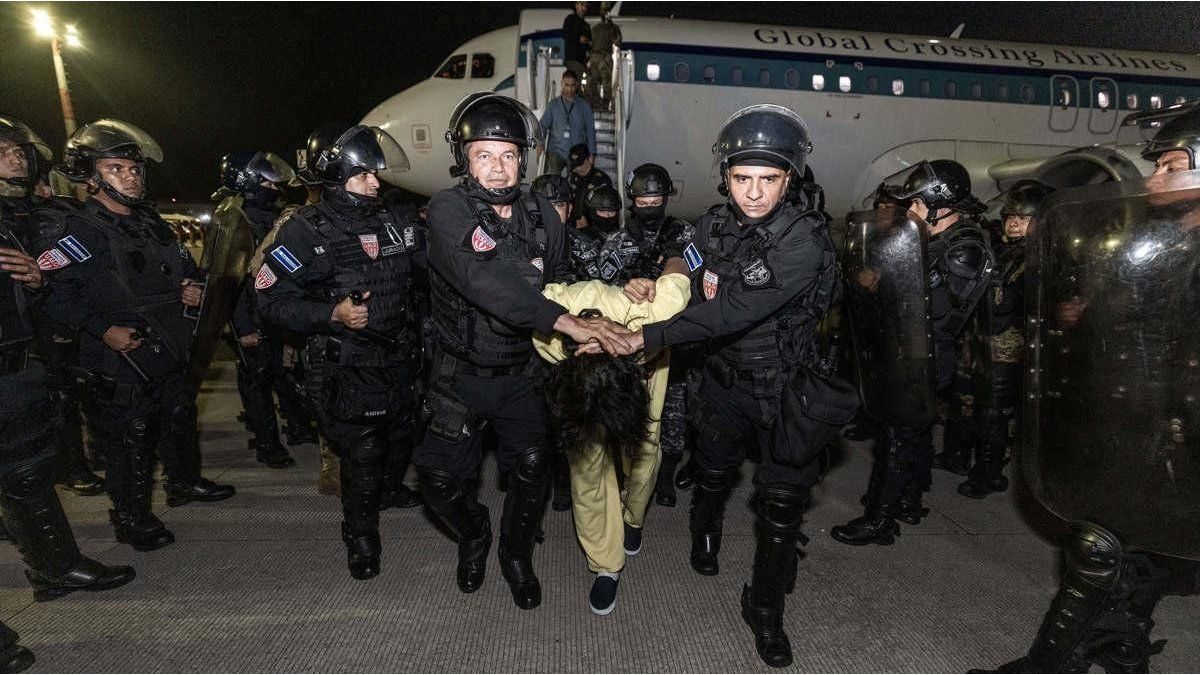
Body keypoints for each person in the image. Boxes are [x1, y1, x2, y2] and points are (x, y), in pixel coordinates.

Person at [975, 104, 1200, 674]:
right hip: (1141, 421)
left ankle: (1054, 664)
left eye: (1171, 166)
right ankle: (1122, 647)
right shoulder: (1166, 240)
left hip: (1178, 429)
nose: (1154, 178)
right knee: (1137, 546)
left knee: (1099, 545)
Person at [621, 105, 843, 667]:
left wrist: (650, 335)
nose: (754, 193)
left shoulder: (802, 240)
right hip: (722, 382)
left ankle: (764, 607)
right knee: (713, 473)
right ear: (727, 176)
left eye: (769, 179)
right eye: (743, 178)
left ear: (789, 179)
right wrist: (663, 279)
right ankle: (705, 532)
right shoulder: (714, 223)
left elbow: (731, 311)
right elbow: (687, 256)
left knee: (782, 504)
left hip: (783, 388)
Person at [415, 92, 631, 610]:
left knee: (534, 472)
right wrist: (564, 322)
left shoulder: (541, 214)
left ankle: (516, 556)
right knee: (438, 483)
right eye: (484, 155)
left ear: (524, 159)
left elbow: (561, 280)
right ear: (464, 160)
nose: (497, 167)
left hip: (524, 373)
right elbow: (482, 279)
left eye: (508, 155)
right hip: (460, 374)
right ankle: (474, 534)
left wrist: (612, 302)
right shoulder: (447, 209)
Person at [31, 119, 236, 552]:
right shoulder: (78, 230)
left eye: (134, 169)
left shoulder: (151, 223)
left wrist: (190, 288)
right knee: (130, 440)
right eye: (116, 169)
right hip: (118, 357)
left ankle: (183, 484)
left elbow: (181, 270)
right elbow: (52, 294)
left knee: (177, 418)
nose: (130, 177)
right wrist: (102, 329)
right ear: (91, 177)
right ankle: (131, 519)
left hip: (166, 345)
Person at [255, 124, 421, 580]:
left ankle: (389, 490)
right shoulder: (304, 231)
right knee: (363, 453)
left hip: (398, 357)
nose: (375, 183)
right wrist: (332, 313)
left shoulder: (392, 221)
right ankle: (361, 537)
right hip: (346, 362)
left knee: (400, 438)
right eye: (363, 175)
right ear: (335, 177)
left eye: (375, 174)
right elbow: (269, 299)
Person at [0, 116, 135, 601]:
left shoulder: (22, 217)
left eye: (18, 149)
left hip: (22, 363)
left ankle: (52, 568)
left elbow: (38, 296)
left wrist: (37, 280)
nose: (16, 157)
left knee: (28, 474)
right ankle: (55, 568)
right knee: (25, 476)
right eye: (3, 151)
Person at [832, 159, 994, 546]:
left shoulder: (964, 249)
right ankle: (907, 499)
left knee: (898, 437)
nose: (911, 211)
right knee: (914, 433)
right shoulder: (936, 241)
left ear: (941, 205)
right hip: (912, 350)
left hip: (928, 355)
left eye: (918, 203)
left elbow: (931, 307)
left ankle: (880, 520)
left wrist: (888, 285)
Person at [535, 263, 689, 615]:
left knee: (643, 454)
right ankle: (606, 563)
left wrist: (656, 275)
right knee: (587, 471)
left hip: (641, 383)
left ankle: (633, 518)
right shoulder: (550, 326)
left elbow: (679, 261)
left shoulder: (656, 310)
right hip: (583, 393)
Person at [958, 180, 1051, 499]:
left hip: (1010, 353)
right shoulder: (1002, 252)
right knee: (975, 408)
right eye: (1011, 216)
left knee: (995, 416)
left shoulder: (1043, 259)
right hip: (982, 345)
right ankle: (975, 465)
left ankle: (988, 475)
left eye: (1023, 218)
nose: (1014, 222)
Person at [618, 163, 698, 508]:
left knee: (674, 416)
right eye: (643, 202)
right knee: (631, 415)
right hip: (631, 342)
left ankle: (665, 479)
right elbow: (602, 288)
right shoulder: (618, 241)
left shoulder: (685, 233)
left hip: (675, 340)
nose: (650, 207)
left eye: (656, 201)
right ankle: (632, 480)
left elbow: (699, 277)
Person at [212, 151, 298, 469]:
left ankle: (293, 428)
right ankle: (267, 444)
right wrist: (243, 328)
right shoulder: (235, 220)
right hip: (250, 315)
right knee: (257, 380)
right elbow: (228, 282)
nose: (273, 189)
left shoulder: (266, 217)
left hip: (272, 312)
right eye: (266, 183)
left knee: (279, 374)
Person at [539, 71, 596, 178]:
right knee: (553, 181)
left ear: (577, 85)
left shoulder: (584, 106)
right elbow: (543, 125)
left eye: (573, 85)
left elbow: (590, 131)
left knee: (576, 183)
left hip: (577, 153)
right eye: (567, 85)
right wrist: (540, 143)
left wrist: (592, 153)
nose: (570, 89)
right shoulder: (553, 105)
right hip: (556, 151)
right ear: (562, 83)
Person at [584, 2, 622, 111]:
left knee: (604, 83)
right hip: (598, 57)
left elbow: (618, 41)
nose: (605, 14)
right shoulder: (596, 28)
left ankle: (603, 105)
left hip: (603, 57)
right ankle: (597, 104)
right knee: (593, 82)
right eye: (604, 11)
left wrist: (611, 25)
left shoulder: (611, 28)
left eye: (606, 11)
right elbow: (590, 44)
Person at [567, 143, 611, 229]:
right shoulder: (573, 176)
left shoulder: (602, 180)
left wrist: (586, 220)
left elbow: (605, 207)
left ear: (588, 159)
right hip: (573, 223)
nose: (576, 169)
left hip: (593, 226)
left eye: (579, 164)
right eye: (574, 165)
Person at [562, 2, 591, 79]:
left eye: (585, 6)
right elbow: (566, 34)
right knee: (576, 82)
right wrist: (578, 38)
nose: (584, 8)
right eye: (582, 5)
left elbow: (589, 43)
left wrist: (588, 43)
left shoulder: (586, 25)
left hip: (583, 62)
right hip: (573, 60)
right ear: (576, 5)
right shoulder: (570, 19)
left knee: (583, 83)